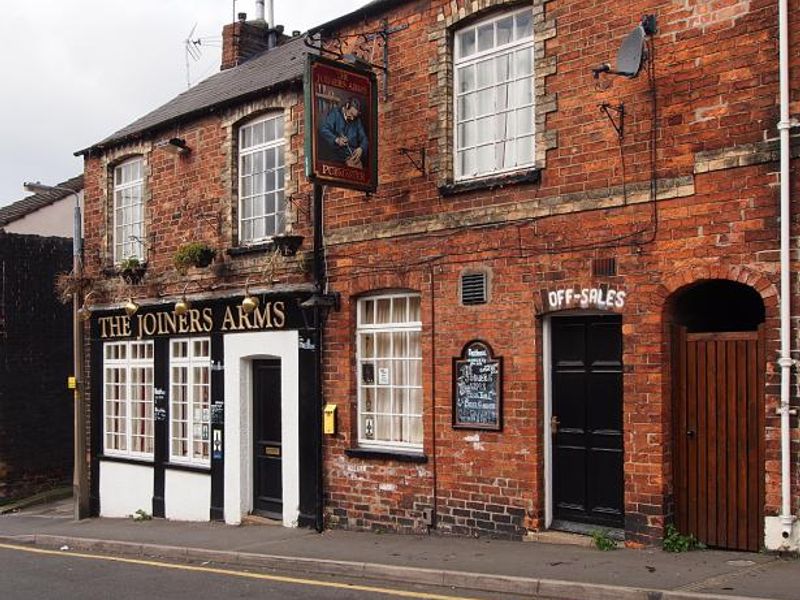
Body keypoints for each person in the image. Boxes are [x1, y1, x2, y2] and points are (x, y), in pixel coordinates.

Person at [319, 98, 368, 168]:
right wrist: (337, 140)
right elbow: (324, 130)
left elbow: (364, 138)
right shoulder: (335, 114)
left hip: (352, 155)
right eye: (351, 114)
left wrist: (361, 148)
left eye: (355, 116)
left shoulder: (357, 121)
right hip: (337, 156)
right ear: (347, 106)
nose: (352, 119)